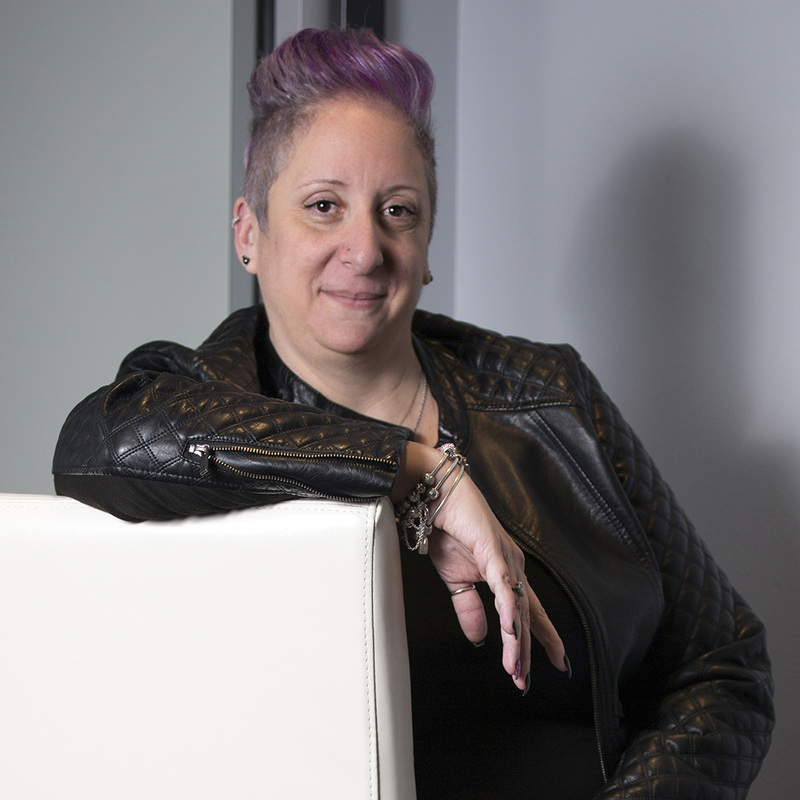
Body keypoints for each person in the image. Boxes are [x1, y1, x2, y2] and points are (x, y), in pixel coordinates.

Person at [53, 27, 773, 799]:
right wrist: (412, 469)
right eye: (323, 206)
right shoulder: (202, 401)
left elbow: (722, 662)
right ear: (248, 232)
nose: (364, 249)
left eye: (397, 210)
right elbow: (98, 440)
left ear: (428, 242)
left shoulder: (548, 392)